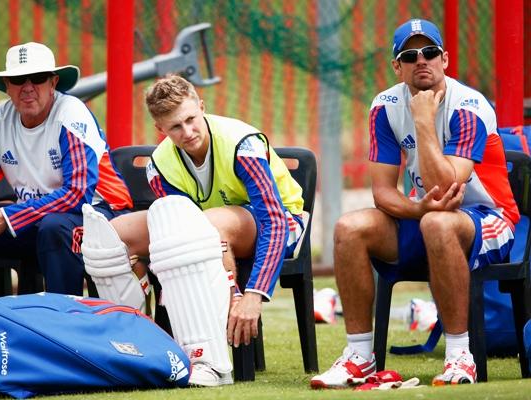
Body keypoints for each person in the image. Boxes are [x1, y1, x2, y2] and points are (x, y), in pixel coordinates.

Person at [310, 18, 519, 389]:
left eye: (430, 52)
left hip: (490, 217)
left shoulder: (471, 104)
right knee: (350, 227)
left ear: (445, 59)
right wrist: (419, 209)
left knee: (437, 224)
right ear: (397, 66)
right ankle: (359, 356)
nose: (421, 60)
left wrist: (423, 121)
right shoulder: (385, 106)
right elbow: (384, 194)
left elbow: (445, 184)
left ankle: (459, 356)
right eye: (409, 55)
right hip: (427, 217)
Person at [81, 74, 305, 386]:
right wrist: (144, 268)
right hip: (207, 231)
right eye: (175, 126)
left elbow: (275, 221)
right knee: (110, 236)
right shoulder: (159, 165)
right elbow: (175, 226)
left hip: (284, 221)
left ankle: (213, 362)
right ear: (161, 129)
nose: (187, 132)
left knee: (207, 226)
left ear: (201, 106)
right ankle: (136, 346)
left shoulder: (243, 143)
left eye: (191, 119)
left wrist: (251, 296)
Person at [0, 42, 134, 311]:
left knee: (54, 228)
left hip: (101, 216)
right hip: (38, 220)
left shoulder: (70, 114)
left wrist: (4, 218)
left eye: (38, 78)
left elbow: (78, 194)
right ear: (7, 85)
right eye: (18, 79)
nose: (28, 87)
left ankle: (66, 329)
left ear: (53, 82)